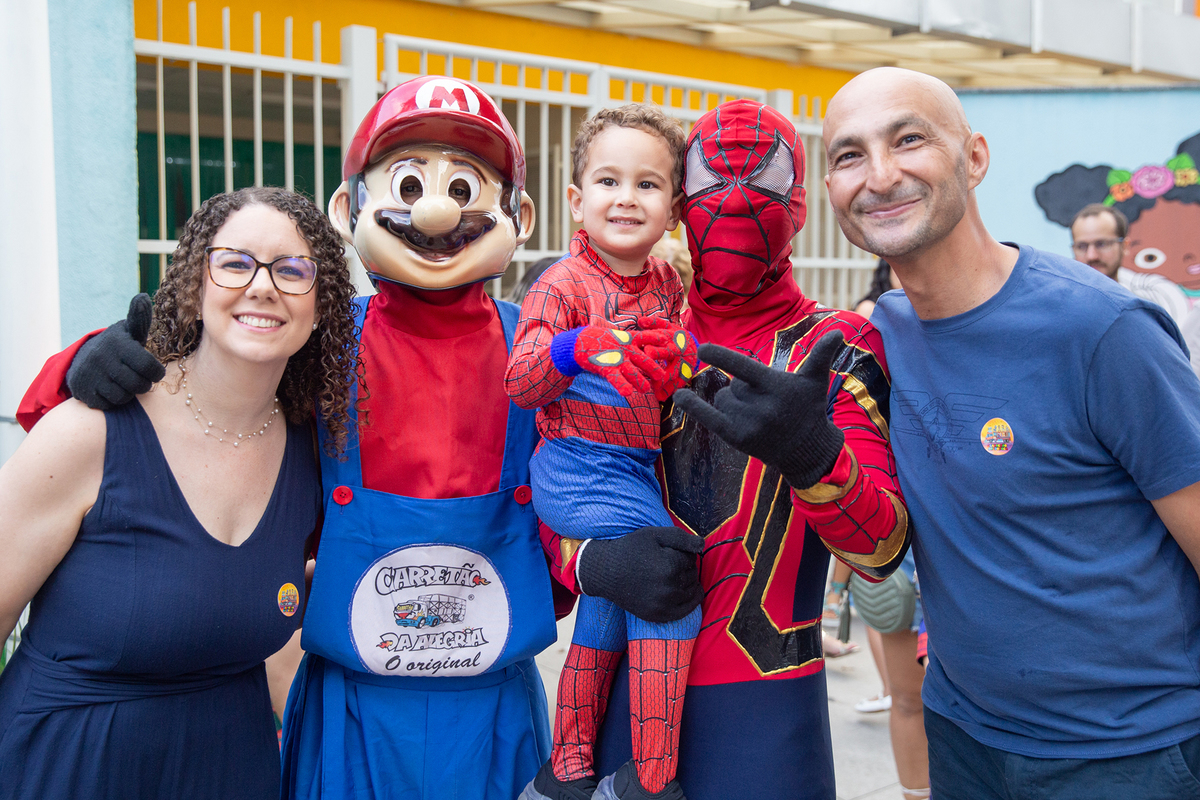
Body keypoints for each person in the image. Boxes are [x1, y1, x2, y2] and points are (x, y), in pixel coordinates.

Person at [17, 77, 705, 800]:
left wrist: (598, 558)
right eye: (409, 181)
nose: (438, 210)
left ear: (519, 215)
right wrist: (80, 367)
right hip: (350, 718)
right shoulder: (319, 342)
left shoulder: (543, 352)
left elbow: (582, 488)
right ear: (350, 209)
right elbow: (209, 382)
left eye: (465, 186)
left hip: (497, 714)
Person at [823, 66, 1200, 800]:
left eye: (909, 140)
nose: (881, 174)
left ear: (974, 158)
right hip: (964, 740)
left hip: (1128, 757)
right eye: (848, 154)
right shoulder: (872, 344)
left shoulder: (1100, 329)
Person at [561, 98, 912, 800]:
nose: (735, 200)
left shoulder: (834, 346)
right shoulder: (629, 327)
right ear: (686, 203)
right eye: (713, 181)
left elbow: (881, 550)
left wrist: (815, 458)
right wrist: (593, 561)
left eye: (761, 179)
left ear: (800, 202)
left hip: (767, 710)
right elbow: (554, 478)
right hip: (629, 689)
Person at [0, 186, 359, 800]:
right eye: (235, 262)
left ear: (323, 305)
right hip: (66, 767)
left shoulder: (317, 455)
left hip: (234, 768)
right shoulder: (90, 432)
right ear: (194, 286)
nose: (263, 286)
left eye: (293, 269)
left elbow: (277, 644)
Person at [505, 104, 699, 800]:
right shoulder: (561, 283)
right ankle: (651, 780)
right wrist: (573, 346)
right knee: (667, 591)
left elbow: (677, 375)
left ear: (674, 208)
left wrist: (681, 359)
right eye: (609, 180)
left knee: (608, 606)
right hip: (578, 467)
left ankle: (569, 766)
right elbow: (520, 379)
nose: (626, 197)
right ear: (576, 200)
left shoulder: (669, 286)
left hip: (633, 466)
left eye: (648, 185)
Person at [1069, 204, 1190, 323]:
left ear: (1124, 246)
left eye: (1102, 244)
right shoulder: (1064, 307)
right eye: (1082, 246)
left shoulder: (1153, 298)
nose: (1092, 255)